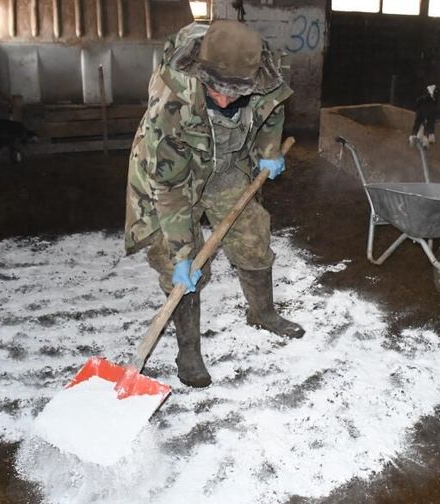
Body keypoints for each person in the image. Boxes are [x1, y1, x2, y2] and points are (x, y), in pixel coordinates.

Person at [124, 20, 304, 389]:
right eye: (216, 90)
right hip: (175, 174)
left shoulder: (262, 70)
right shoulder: (169, 102)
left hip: (226, 164)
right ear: (201, 72)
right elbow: (169, 187)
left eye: (236, 92)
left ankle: (263, 313)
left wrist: (269, 150)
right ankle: (188, 349)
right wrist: (182, 253)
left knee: (253, 235)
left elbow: (273, 109)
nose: (223, 100)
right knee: (179, 263)